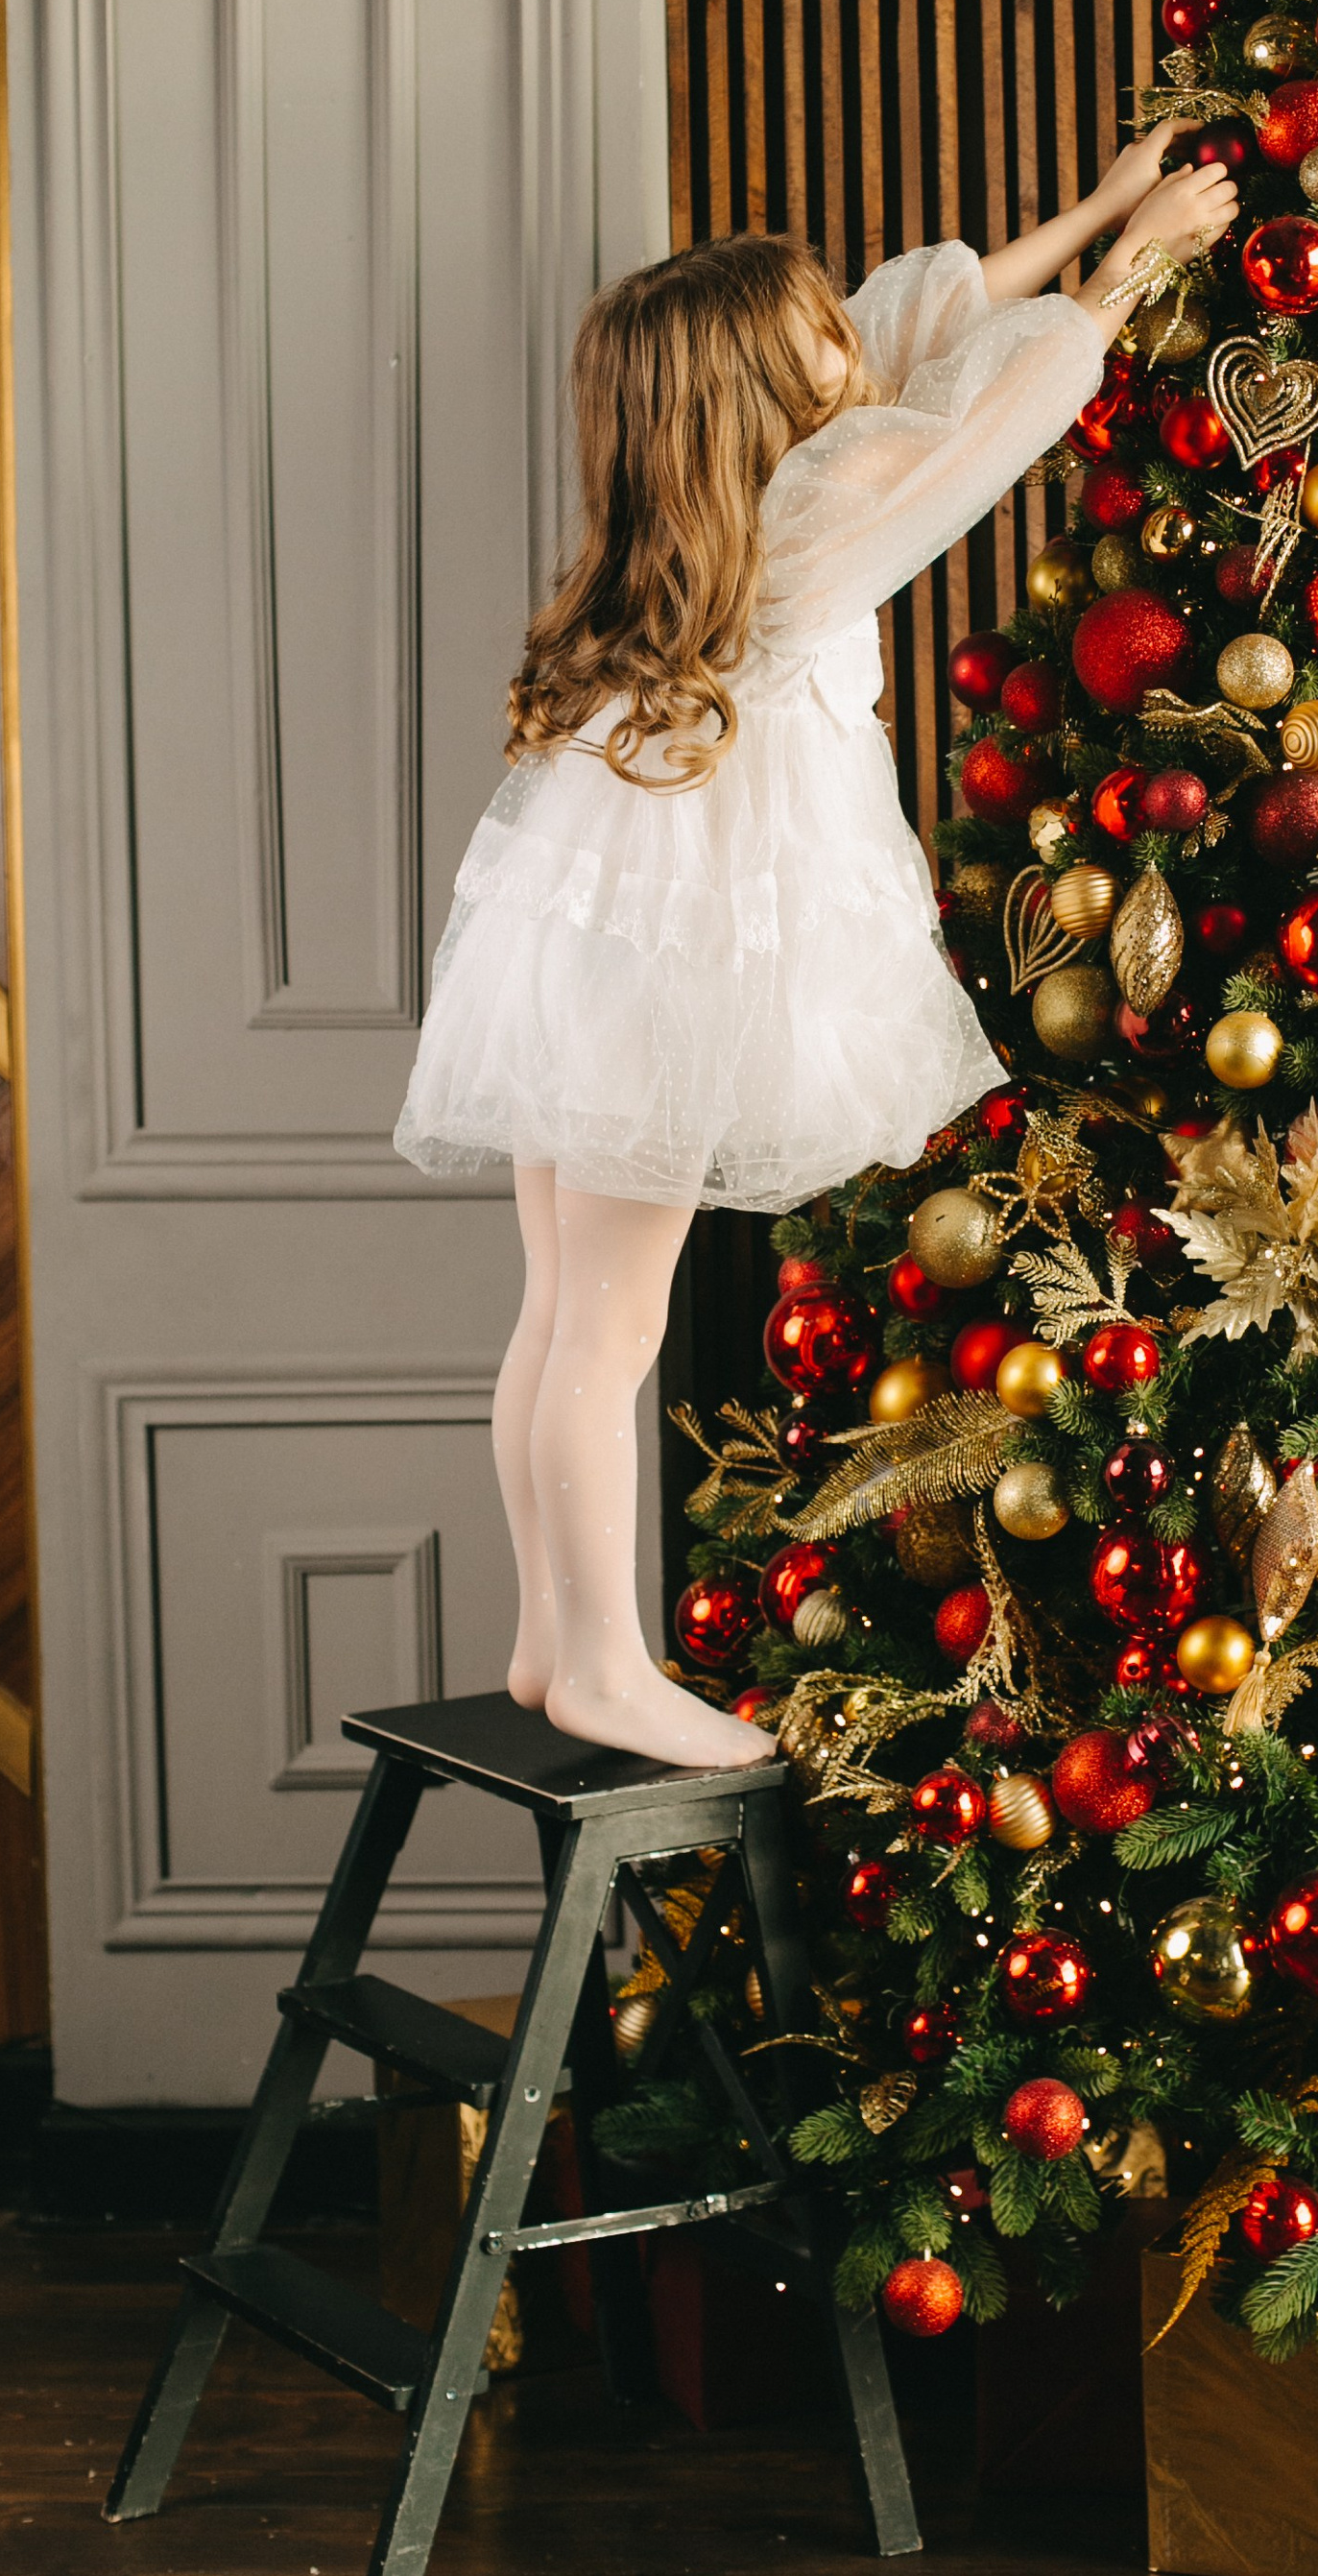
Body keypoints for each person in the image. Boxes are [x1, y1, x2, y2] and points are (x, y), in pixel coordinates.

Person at [395, 134, 1237, 1765]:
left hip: (578, 945)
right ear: (770, 399)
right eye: (820, 346)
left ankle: (546, 1637)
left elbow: (907, 324)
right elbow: (981, 410)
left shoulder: (691, 529)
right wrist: (1123, 279)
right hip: (659, 975)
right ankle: (607, 1670)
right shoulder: (819, 509)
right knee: (609, 1332)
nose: (855, 348)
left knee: (561, 1312)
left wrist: (1090, 205)